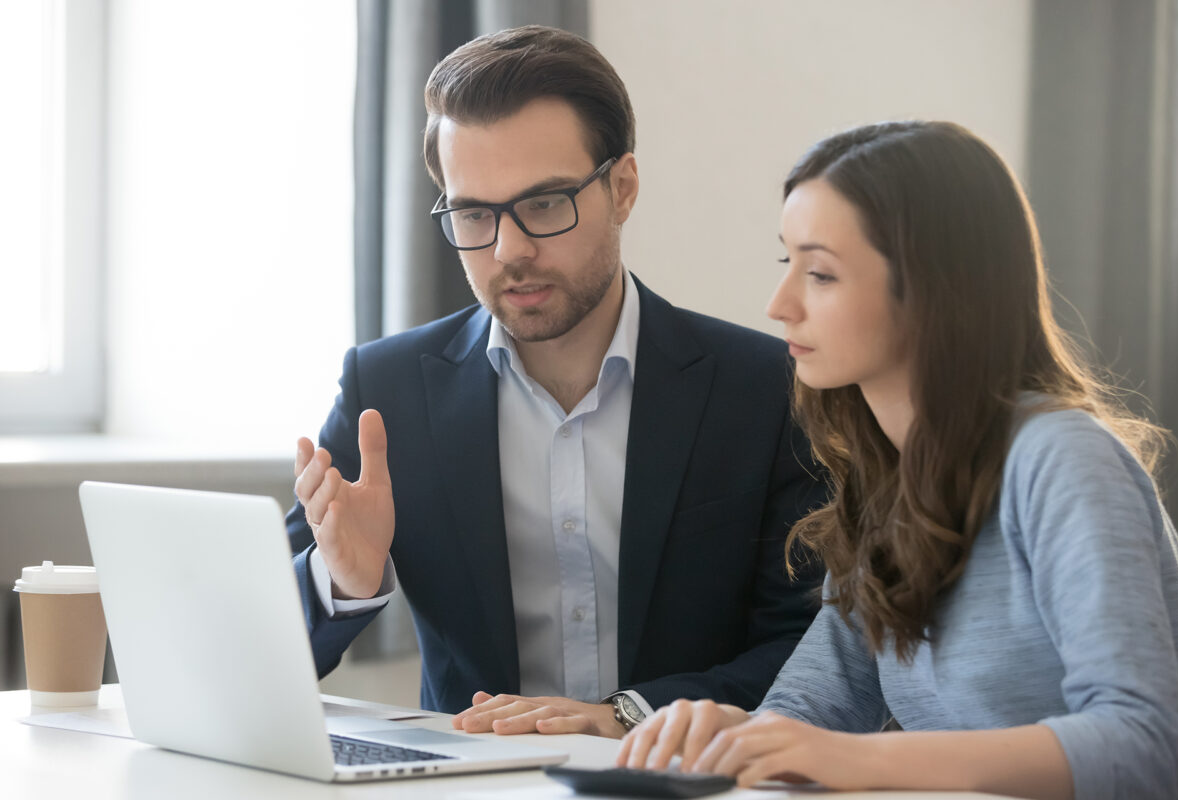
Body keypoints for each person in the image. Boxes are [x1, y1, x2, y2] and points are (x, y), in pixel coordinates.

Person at [617, 121, 1178, 798]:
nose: (780, 306)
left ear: (931, 290)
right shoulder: (887, 484)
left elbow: (1142, 744)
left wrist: (855, 759)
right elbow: (809, 714)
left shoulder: (1063, 460)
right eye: (788, 265)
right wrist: (731, 736)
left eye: (822, 274)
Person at [286, 25, 827, 740]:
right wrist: (342, 581)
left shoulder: (765, 389)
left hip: (686, 780)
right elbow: (260, 645)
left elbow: (812, 649)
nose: (510, 250)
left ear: (623, 188)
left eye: (544, 204)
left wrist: (625, 715)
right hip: (472, 788)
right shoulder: (385, 393)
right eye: (475, 213)